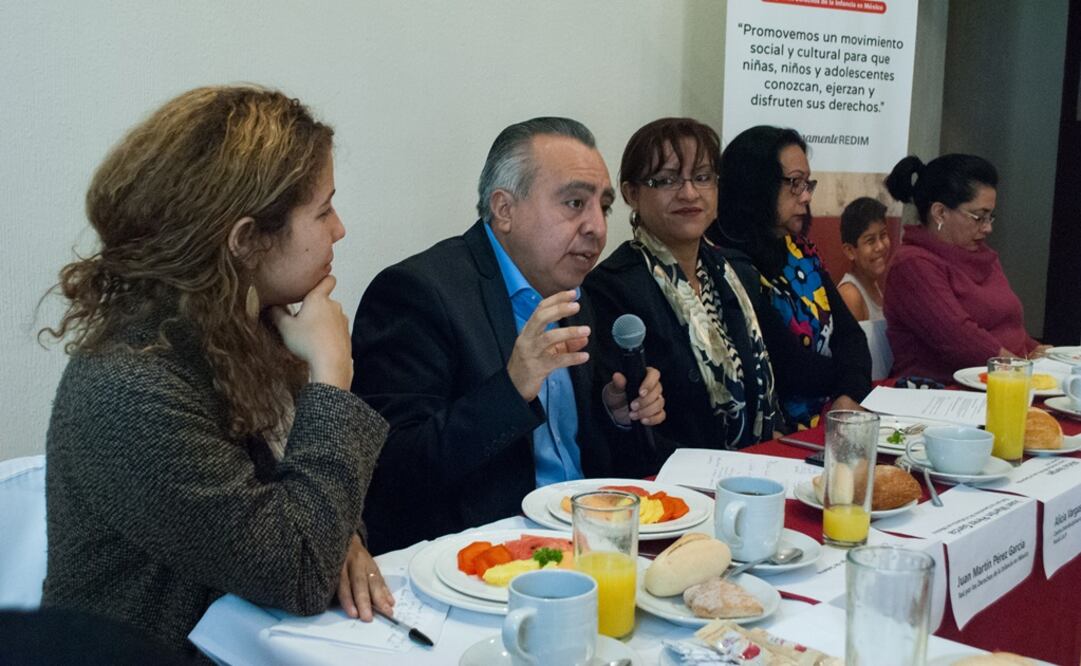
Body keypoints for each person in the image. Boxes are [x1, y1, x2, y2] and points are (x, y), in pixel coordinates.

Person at [40, 86, 390, 659]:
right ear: (247, 241)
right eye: (323, 210)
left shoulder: (242, 331)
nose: (340, 230)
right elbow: (299, 571)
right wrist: (331, 373)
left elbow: (307, 507)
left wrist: (338, 535)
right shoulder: (131, 390)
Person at [352, 117, 666, 554]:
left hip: (586, 541)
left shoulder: (575, 293)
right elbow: (392, 470)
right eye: (575, 203)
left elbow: (581, 458)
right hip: (481, 559)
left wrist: (615, 415)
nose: (597, 226)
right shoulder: (418, 293)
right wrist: (513, 388)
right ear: (504, 209)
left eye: (604, 206)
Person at [583, 118, 781, 452]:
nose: (689, 193)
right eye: (667, 180)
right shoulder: (611, 288)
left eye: (702, 177)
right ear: (632, 193)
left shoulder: (739, 272)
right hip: (671, 485)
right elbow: (617, 424)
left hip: (754, 468)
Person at [707, 126, 871, 430]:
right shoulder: (722, 261)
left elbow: (852, 337)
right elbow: (790, 369)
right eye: (794, 183)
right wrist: (847, 376)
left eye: (808, 183)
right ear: (756, 184)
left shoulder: (799, 251)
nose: (806, 196)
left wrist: (847, 395)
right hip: (770, 432)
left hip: (828, 418)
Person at [883, 154, 1049, 380]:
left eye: (991, 217)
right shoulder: (912, 265)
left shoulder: (981, 255)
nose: (987, 228)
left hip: (1004, 378)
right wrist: (1026, 373)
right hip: (947, 393)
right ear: (940, 212)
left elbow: (1007, 322)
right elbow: (959, 339)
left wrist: (1038, 352)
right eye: (979, 217)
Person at [838, 197, 891, 322]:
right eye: (870, 240)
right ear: (850, 251)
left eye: (883, 235)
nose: (880, 246)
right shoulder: (850, 295)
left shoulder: (874, 284)